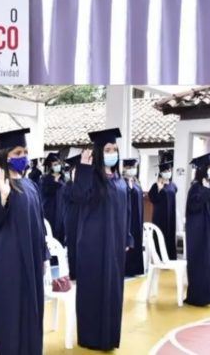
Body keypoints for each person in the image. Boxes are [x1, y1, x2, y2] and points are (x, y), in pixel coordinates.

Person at [0, 128, 47, 355]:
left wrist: (44, 255)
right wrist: (3, 197)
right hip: (6, 261)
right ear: (5, 156)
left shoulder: (31, 185)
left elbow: (39, 222)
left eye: (25, 152)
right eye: (18, 153)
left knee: (30, 310)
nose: (23, 157)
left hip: (30, 259)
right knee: (9, 314)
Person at [73, 128, 131, 351]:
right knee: (93, 289)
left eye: (114, 149)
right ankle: (91, 337)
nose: (112, 153)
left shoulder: (119, 180)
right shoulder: (91, 177)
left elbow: (125, 211)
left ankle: (109, 337)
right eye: (107, 149)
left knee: (112, 290)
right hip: (93, 245)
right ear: (99, 152)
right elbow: (78, 197)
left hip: (115, 246)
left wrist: (127, 237)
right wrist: (83, 169)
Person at [184, 153, 210, 306]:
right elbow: (193, 207)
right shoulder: (196, 187)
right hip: (200, 235)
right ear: (203, 169)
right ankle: (198, 297)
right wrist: (205, 192)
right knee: (202, 264)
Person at [149, 161, 178, 260]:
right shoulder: (156, 185)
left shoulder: (173, 185)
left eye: (169, 170)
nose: (168, 172)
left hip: (171, 216)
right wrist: (159, 189)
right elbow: (153, 199)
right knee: (160, 236)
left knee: (170, 235)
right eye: (165, 171)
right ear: (161, 173)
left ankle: (171, 258)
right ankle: (159, 258)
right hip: (160, 217)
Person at [123, 158, 145, 277]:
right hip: (128, 218)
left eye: (133, 167)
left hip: (138, 218)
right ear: (124, 168)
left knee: (137, 241)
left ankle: (136, 268)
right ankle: (126, 268)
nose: (131, 170)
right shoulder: (122, 183)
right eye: (129, 167)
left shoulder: (137, 183)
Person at [40, 151, 66, 245]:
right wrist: (55, 182)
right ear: (50, 166)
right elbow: (46, 192)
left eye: (58, 163)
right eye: (55, 164)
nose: (57, 166)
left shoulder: (63, 179)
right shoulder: (45, 179)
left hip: (61, 211)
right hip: (51, 211)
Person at [63, 153, 81, 279]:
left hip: (84, 220)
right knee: (73, 246)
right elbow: (73, 197)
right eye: (75, 171)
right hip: (72, 219)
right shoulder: (68, 186)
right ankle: (74, 272)